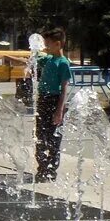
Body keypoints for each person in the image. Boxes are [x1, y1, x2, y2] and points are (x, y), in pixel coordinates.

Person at [34, 27, 72, 181]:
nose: (45, 47)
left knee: (53, 138)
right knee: (40, 137)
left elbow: (64, 89)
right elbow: (29, 61)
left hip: (55, 101)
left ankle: (51, 170)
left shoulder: (63, 63)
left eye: (48, 44)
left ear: (57, 44)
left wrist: (59, 110)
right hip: (43, 100)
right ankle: (42, 168)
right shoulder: (48, 59)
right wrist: (7, 57)